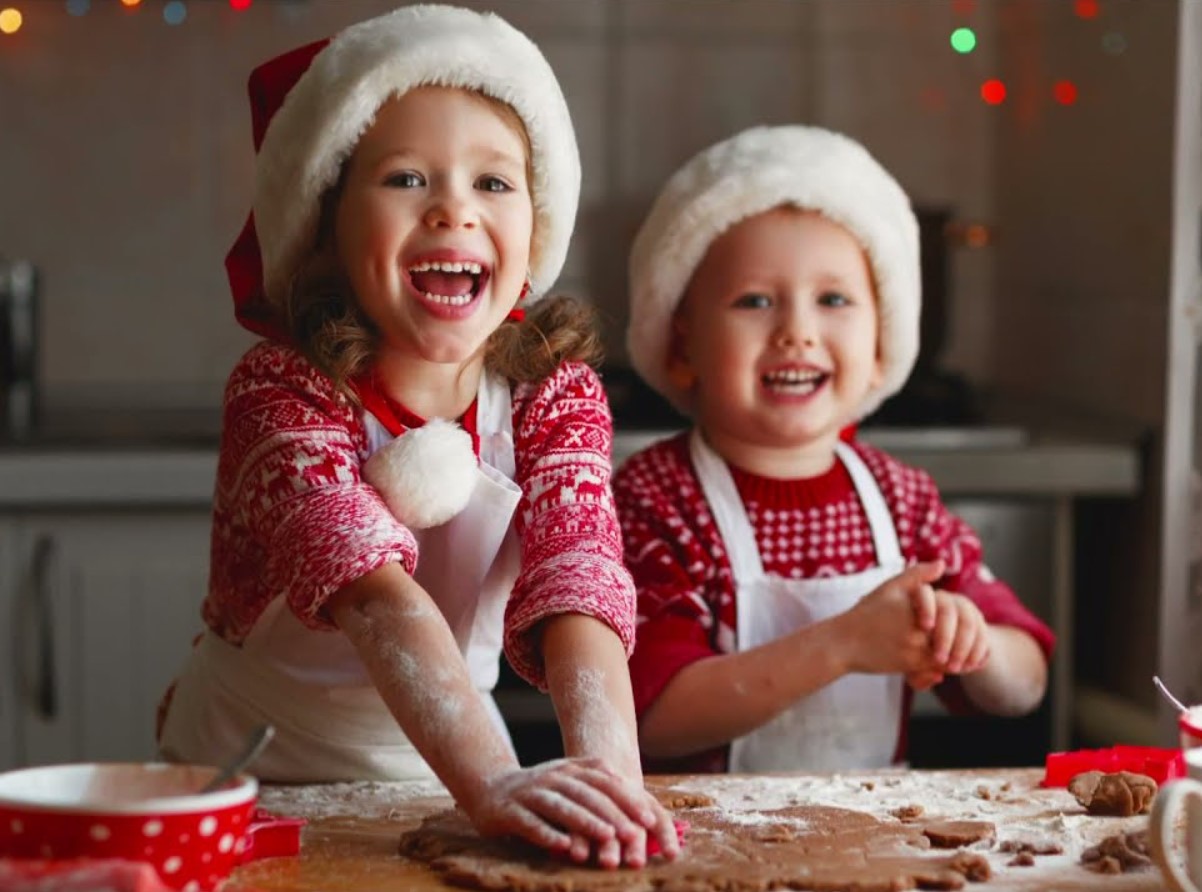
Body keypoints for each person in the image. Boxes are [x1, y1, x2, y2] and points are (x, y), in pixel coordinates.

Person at [157, 4, 678, 868]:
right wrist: (498, 785)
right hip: (255, 781)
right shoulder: (281, 390)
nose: (453, 212)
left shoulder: (555, 394)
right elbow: (373, 592)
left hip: (440, 775)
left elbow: (577, 576)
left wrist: (611, 780)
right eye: (405, 179)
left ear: (536, 225)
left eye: (494, 182)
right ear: (325, 225)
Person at [614, 125, 1055, 774]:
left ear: (881, 346)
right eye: (755, 301)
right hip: (700, 855)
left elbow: (1027, 684)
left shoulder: (903, 502)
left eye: (834, 300)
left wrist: (975, 643)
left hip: (871, 847)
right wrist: (842, 646)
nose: (798, 332)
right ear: (683, 348)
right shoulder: (655, 499)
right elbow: (651, 719)